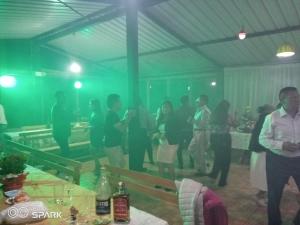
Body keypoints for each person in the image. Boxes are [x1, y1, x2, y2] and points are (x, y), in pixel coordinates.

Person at [259, 87, 300, 225]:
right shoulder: (272, 117)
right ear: (282, 100)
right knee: (274, 196)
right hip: (278, 161)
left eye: (298, 96)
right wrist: (282, 145)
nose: (297, 99)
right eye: (293, 97)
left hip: (299, 159)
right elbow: (263, 139)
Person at [249, 104, 274, 207]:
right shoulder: (268, 118)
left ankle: (261, 193)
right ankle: (263, 195)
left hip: (258, 150)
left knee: (261, 173)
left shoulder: (262, 117)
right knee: (264, 174)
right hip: (263, 150)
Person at [209, 100, 235, 187]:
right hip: (224, 138)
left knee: (217, 158)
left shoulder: (213, 115)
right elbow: (235, 124)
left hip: (215, 138)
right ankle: (222, 181)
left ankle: (214, 175)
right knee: (226, 160)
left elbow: (210, 127)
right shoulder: (227, 116)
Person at [127, 100, 155, 171]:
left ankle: (132, 167)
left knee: (132, 151)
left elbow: (125, 121)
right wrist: (150, 130)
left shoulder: (129, 110)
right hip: (142, 132)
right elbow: (151, 121)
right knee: (140, 151)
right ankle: (139, 167)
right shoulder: (144, 110)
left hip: (131, 133)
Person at [156, 101, 179, 179]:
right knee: (160, 162)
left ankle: (172, 183)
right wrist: (156, 134)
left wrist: (165, 135)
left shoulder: (174, 118)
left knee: (169, 163)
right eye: (163, 107)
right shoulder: (160, 118)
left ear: (170, 108)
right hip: (161, 143)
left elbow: (175, 131)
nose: (164, 109)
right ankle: (162, 181)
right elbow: (157, 130)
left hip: (171, 143)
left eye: (166, 107)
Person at [188, 95, 211, 175]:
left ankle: (203, 170)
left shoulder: (205, 111)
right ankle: (203, 165)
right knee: (191, 149)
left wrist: (193, 120)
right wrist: (192, 121)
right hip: (196, 132)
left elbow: (203, 124)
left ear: (204, 101)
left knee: (200, 152)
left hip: (201, 133)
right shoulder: (199, 110)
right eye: (196, 101)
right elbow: (197, 123)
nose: (196, 102)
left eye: (198, 101)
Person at [104, 94, 127, 168]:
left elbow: (118, 124)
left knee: (122, 164)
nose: (121, 103)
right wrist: (128, 119)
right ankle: (115, 179)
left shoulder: (112, 114)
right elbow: (122, 129)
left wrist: (125, 118)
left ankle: (116, 178)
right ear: (115, 103)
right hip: (112, 146)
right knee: (117, 169)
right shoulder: (112, 115)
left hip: (114, 145)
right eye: (119, 101)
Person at [176, 95, 195, 169]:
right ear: (187, 101)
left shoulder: (178, 110)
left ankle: (180, 164)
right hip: (189, 131)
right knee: (190, 148)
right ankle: (192, 163)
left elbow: (176, 121)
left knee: (179, 148)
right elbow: (193, 119)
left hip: (180, 131)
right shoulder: (192, 109)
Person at [51, 91, 71, 156]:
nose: (64, 98)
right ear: (58, 97)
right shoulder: (57, 107)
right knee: (65, 150)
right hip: (60, 133)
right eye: (62, 96)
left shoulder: (60, 107)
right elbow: (60, 120)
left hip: (62, 133)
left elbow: (64, 119)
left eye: (64, 96)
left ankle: (64, 164)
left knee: (65, 150)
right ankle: (64, 164)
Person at [89, 99, 104, 175]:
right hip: (94, 134)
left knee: (93, 150)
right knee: (93, 150)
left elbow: (99, 125)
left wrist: (91, 127)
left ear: (95, 105)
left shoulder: (98, 114)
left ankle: (98, 165)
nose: (90, 106)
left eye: (91, 104)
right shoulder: (94, 113)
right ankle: (97, 164)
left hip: (97, 135)